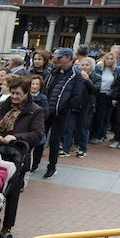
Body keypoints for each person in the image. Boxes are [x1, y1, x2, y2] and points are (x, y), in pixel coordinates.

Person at [40, 48, 83, 178]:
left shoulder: (76, 74)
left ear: (69, 58)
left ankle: (51, 167)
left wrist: (65, 108)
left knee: (54, 141)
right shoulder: (53, 72)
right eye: (56, 57)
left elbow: (77, 96)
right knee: (40, 138)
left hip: (61, 113)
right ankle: (35, 163)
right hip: (46, 110)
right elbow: (46, 89)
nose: (56, 60)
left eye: (60, 57)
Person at [63, 57, 99, 158]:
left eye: (87, 65)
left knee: (84, 129)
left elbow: (95, 90)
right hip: (74, 105)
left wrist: (87, 80)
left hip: (86, 107)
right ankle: (66, 149)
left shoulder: (96, 77)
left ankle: (82, 149)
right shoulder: (75, 75)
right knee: (68, 128)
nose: (84, 67)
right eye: (82, 65)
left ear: (92, 67)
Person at [91, 52, 119, 144]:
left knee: (102, 116)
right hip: (97, 93)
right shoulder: (98, 67)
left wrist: (114, 96)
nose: (109, 60)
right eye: (108, 58)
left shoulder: (117, 69)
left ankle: (99, 135)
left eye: (111, 59)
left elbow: (117, 85)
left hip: (107, 95)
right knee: (94, 115)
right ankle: (93, 134)